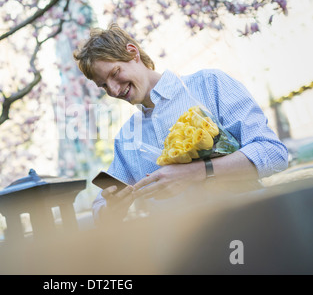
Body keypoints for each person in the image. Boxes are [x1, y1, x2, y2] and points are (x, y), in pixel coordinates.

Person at [73, 23, 289, 224]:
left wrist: (197, 172)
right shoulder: (127, 137)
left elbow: (273, 153)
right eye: (103, 86)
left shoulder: (209, 85)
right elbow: (99, 206)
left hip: (248, 228)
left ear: (132, 52)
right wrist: (112, 209)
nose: (114, 90)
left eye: (115, 73)